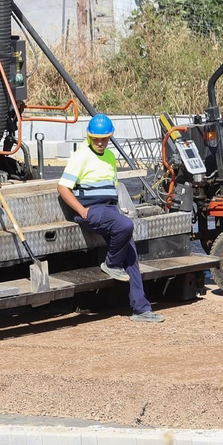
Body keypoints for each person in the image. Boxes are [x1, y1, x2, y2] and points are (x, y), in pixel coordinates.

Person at [57, 113, 163, 324]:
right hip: (91, 209)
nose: (99, 142)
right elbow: (63, 187)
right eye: (95, 138)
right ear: (89, 136)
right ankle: (111, 264)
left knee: (131, 253)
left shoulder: (110, 157)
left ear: (110, 137)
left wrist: (117, 209)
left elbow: (111, 187)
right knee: (126, 225)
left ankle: (141, 308)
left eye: (104, 138)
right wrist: (82, 210)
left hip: (108, 209)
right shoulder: (81, 155)